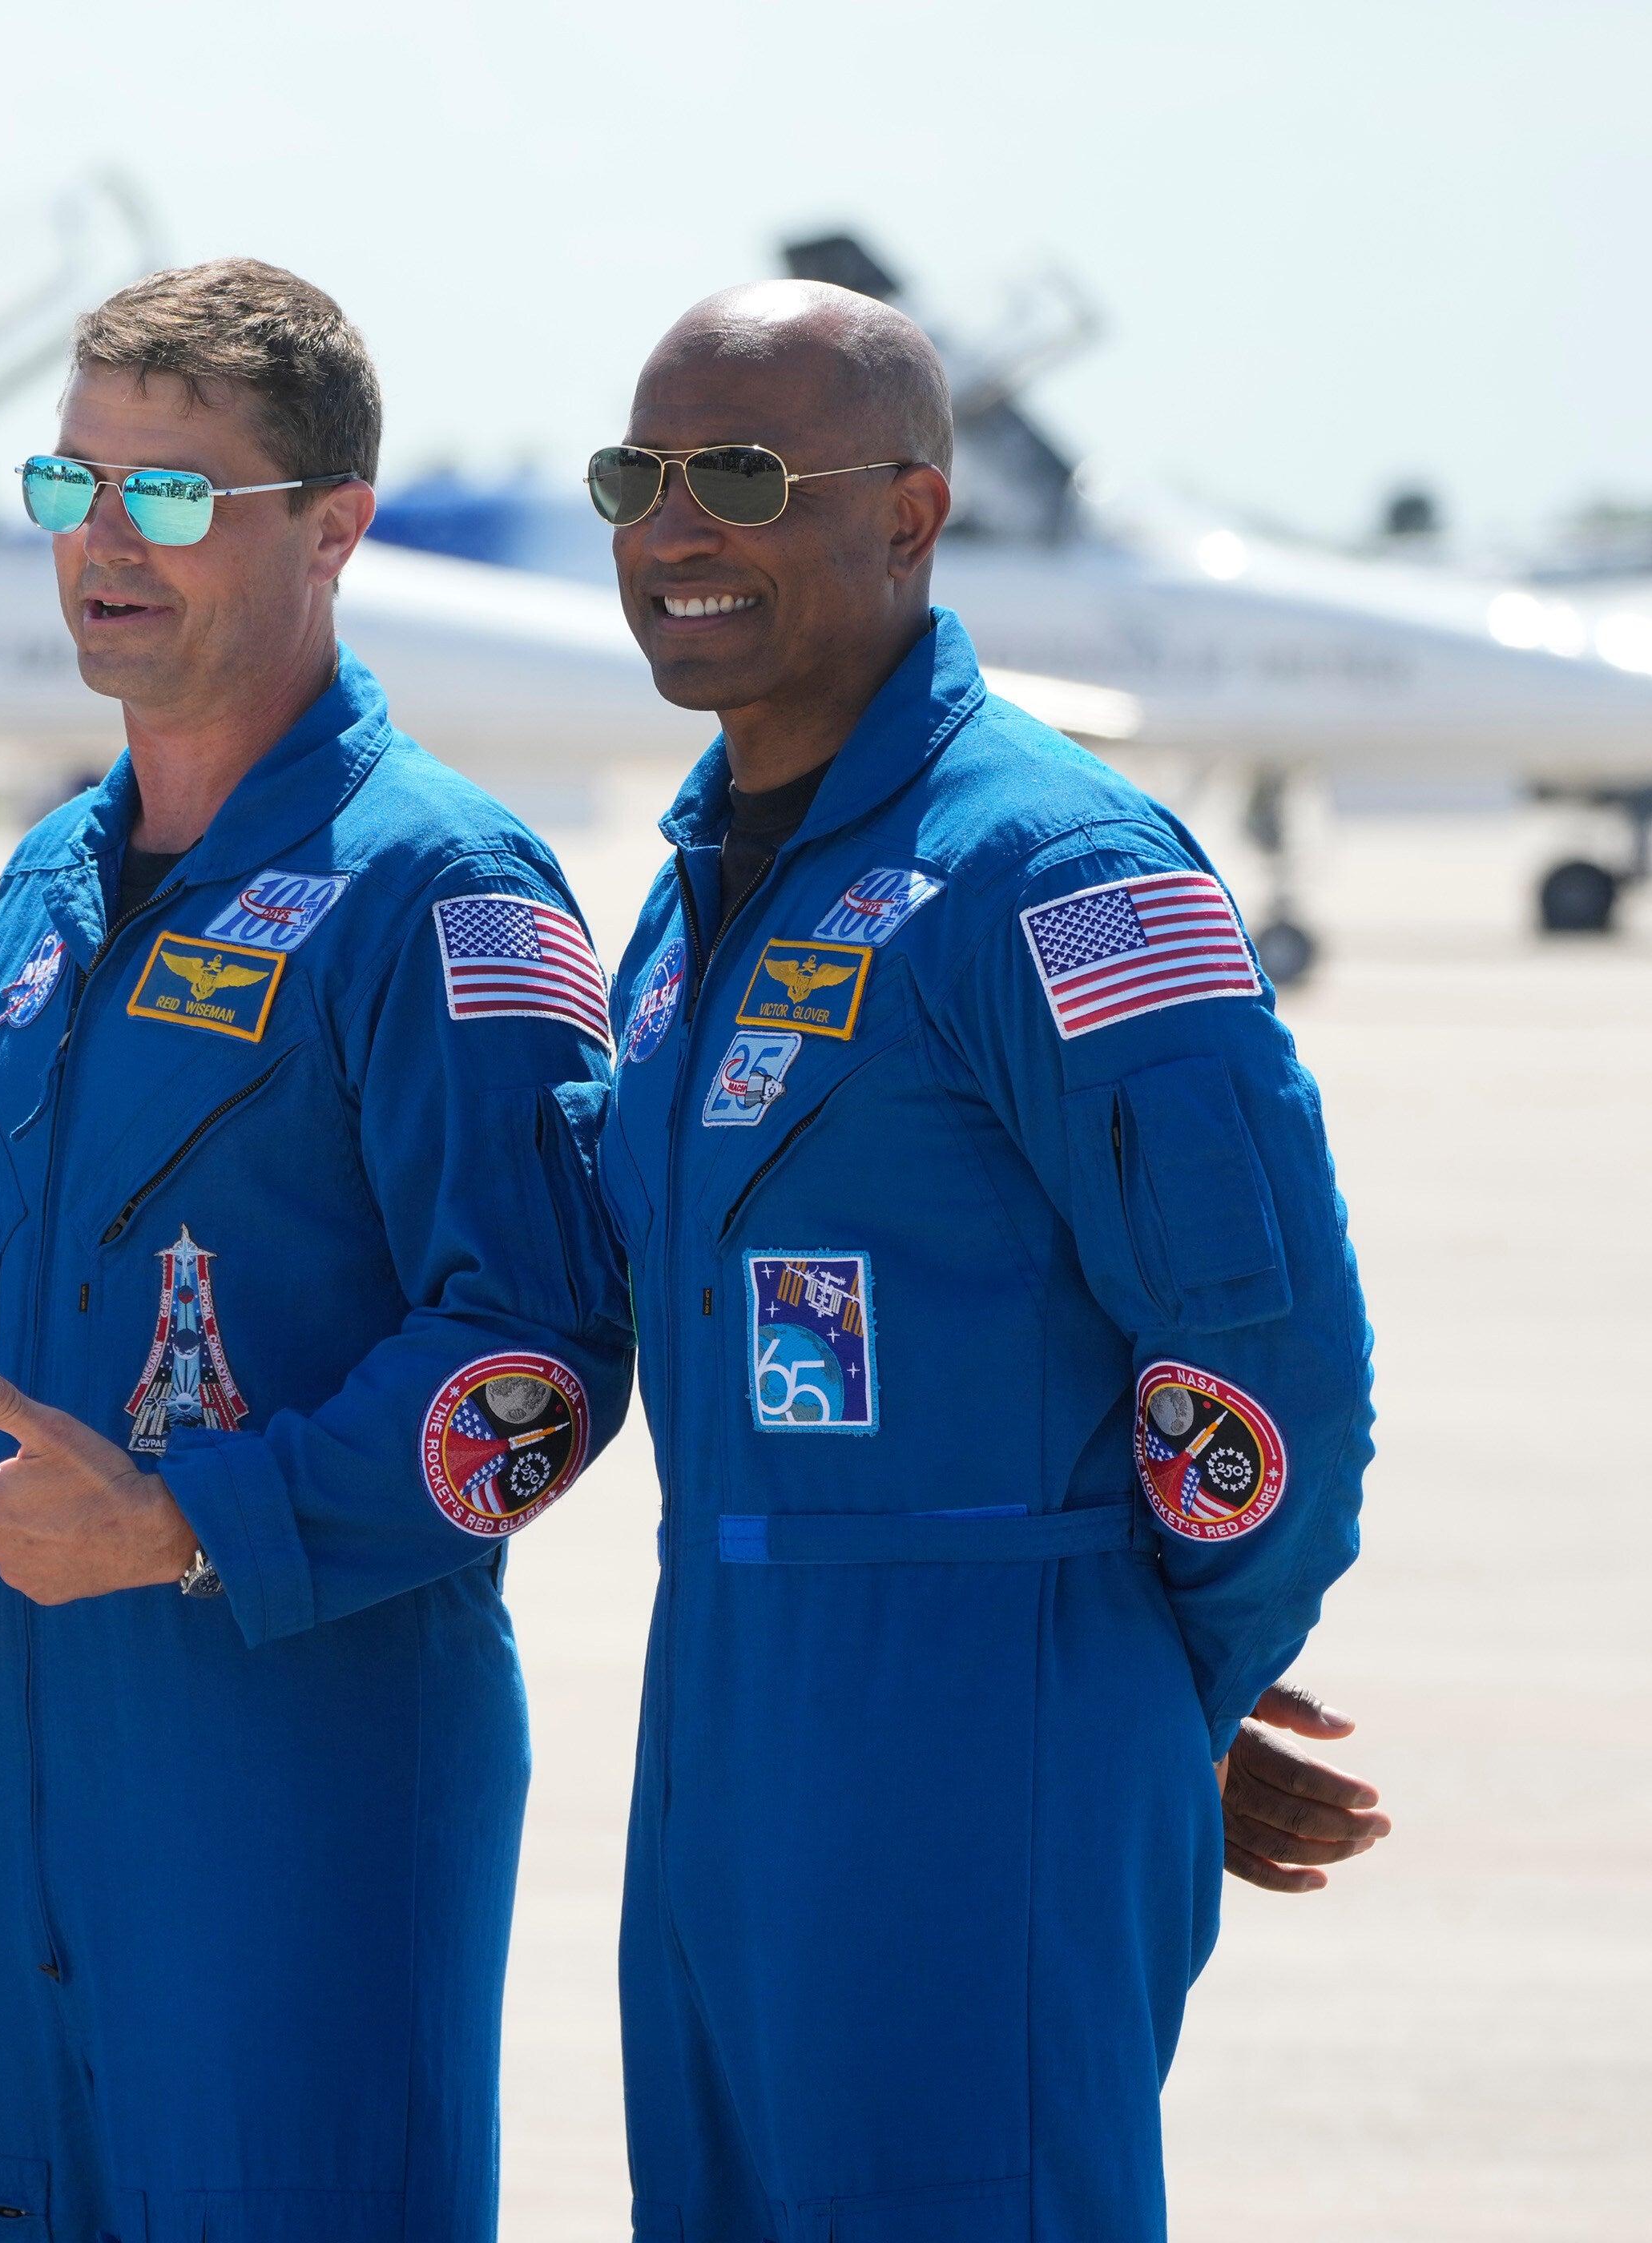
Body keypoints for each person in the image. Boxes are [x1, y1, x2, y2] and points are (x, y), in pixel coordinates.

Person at [586, 280, 1387, 2239]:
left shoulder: (1060, 872)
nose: (679, 528)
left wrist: (1143, 1690)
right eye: (641, 475)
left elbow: (1268, 1352)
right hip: (722, 1711)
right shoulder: (698, 901)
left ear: (914, 513)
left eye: (748, 475)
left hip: (980, 1730)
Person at [0, 260, 635, 2239]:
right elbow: (1, 1307)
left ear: (337, 525)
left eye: (178, 496)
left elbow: (541, 1358)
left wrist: (192, 1521)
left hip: (304, 1763)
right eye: (74, 485)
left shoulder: (443, 884)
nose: (108, 546)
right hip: (30, 1760)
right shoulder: (43, 883)